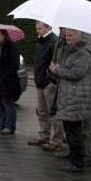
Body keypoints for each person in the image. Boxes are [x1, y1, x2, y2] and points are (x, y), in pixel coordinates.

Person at [49, 28, 91, 172]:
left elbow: (77, 72)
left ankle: (78, 162)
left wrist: (58, 70)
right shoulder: (70, 50)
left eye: (70, 35)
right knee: (70, 129)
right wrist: (57, 68)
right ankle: (74, 156)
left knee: (75, 130)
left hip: (77, 97)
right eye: (66, 35)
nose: (67, 37)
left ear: (79, 36)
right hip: (70, 96)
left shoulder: (82, 52)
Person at [28, 22, 63, 151]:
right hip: (40, 82)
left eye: (40, 28)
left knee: (53, 113)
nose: (38, 31)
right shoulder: (40, 42)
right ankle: (44, 136)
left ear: (48, 28)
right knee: (42, 112)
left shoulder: (54, 42)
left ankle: (56, 141)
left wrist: (51, 79)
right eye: (37, 28)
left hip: (48, 83)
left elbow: (56, 62)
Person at [0, 29, 23, 135]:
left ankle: (10, 126)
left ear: (4, 35)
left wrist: (6, 74)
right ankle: (1, 124)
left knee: (7, 102)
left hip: (8, 79)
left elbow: (15, 64)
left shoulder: (11, 46)